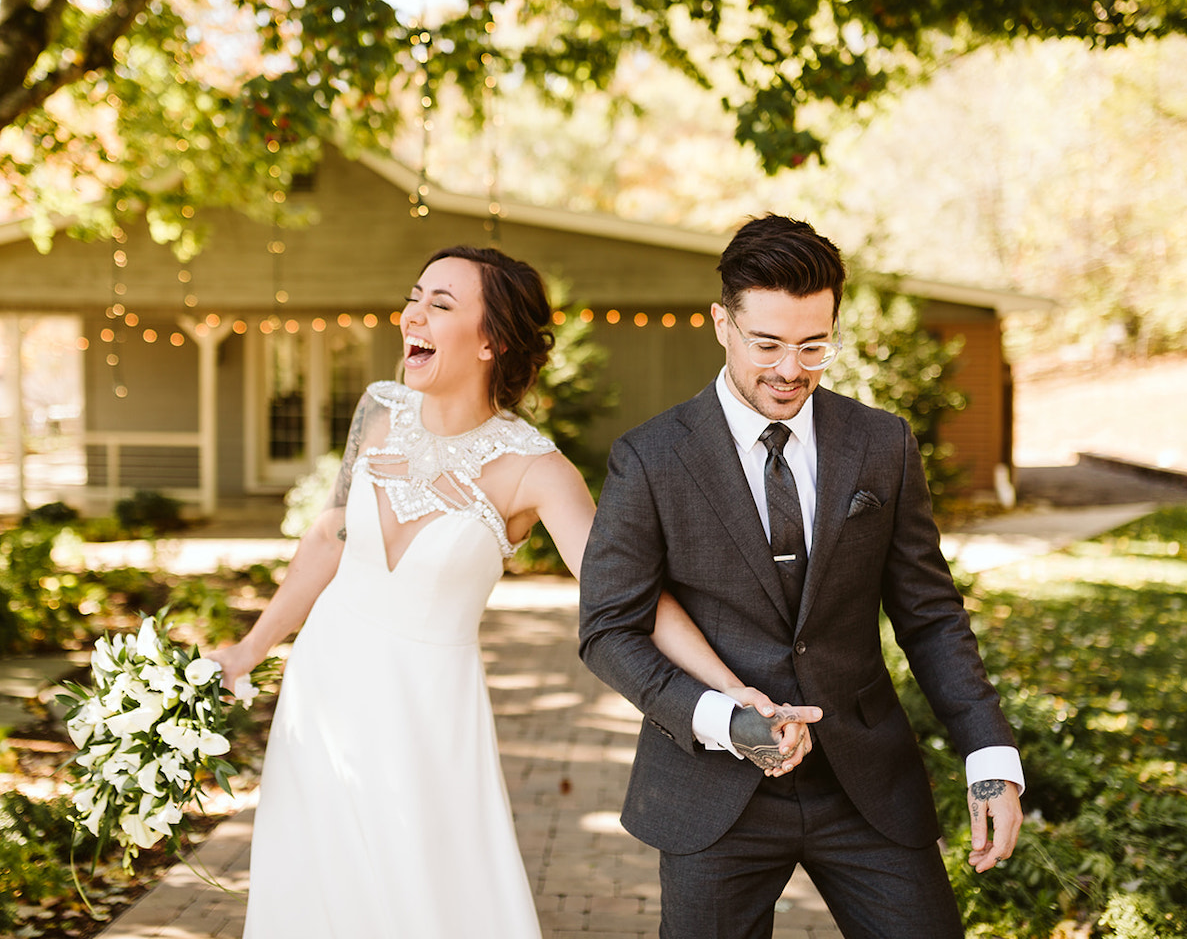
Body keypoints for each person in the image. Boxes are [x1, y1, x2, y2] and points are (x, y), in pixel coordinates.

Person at [208, 244, 785, 938]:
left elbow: (630, 596)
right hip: (322, 688)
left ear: (493, 340)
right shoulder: (377, 411)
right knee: (312, 887)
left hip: (425, 714)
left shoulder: (537, 471)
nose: (412, 315)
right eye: (414, 296)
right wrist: (247, 650)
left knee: (421, 896)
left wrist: (731, 689)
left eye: (440, 304)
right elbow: (326, 541)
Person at [578, 214, 1025, 939]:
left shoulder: (882, 443)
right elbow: (608, 628)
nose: (791, 370)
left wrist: (991, 754)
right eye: (769, 344)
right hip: (712, 790)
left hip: (867, 786)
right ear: (721, 323)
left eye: (814, 345)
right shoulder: (650, 458)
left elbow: (930, 615)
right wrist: (724, 719)